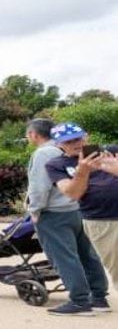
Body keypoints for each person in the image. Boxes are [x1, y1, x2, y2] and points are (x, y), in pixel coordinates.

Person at [27, 120, 110, 315]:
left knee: (65, 257)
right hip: (79, 210)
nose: (76, 143)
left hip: (54, 213)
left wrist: (34, 210)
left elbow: (39, 187)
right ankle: (98, 297)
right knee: (87, 255)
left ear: (33, 135)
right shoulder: (89, 153)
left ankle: (80, 301)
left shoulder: (43, 154)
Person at [45, 127, 118, 286]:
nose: (75, 144)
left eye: (78, 139)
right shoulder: (56, 164)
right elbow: (73, 194)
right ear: (59, 145)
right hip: (102, 221)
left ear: (86, 137)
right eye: (68, 141)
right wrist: (83, 172)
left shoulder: (111, 151)